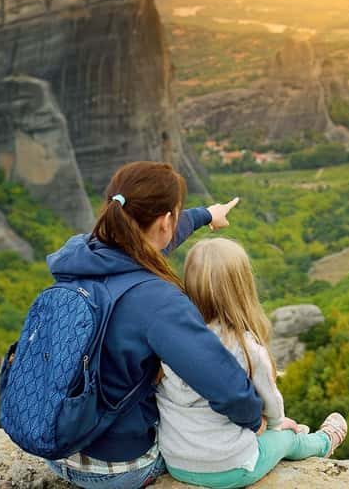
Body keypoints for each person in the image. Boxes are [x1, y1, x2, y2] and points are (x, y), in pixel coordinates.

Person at [42, 161, 263, 489]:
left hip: (56, 448)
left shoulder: (80, 255)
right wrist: (256, 420)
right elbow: (225, 385)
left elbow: (144, 246)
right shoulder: (157, 300)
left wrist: (205, 215)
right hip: (118, 468)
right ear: (165, 221)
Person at [157, 238, 348, 488]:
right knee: (289, 438)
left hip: (177, 461)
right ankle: (323, 442)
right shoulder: (246, 347)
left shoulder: (171, 338)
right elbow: (271, 402)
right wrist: (279, 424)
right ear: (243, 289)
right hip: (231, 466)